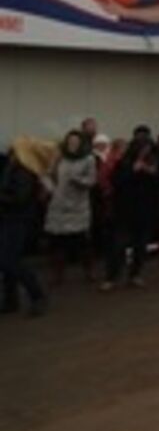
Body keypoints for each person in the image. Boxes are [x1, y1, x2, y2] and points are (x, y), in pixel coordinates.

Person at [102, 128, 159, 290]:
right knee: (119, 245)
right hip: (125, 211)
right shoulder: (123, 163)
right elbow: (116, 183)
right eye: (143, 149)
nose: (146, 152)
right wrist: (132, 171)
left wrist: (151, 173)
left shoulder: (153, 162)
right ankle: (111, 276)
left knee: (140, 246)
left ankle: (135, 274)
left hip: (145, 211)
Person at [0, 139, 50, 316]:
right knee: (7, 261)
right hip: (9, 218)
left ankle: (37, 296)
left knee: (10, 260)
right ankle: (10, 300)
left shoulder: (23, 171)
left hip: (17, 219)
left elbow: (20, 198)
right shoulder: (12, 167)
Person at [45, 130, 98, 285]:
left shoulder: (88, 159)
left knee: (82, 243)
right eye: (69, 141)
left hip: (78, 207)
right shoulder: (59, 157)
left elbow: (92, 180)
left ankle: (89, 271)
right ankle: (58, 275)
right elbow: (48, 175)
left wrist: (79, 181)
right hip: (59, 205)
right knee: (57, 242)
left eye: (75, 142)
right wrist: (51, 189)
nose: (72, 144)